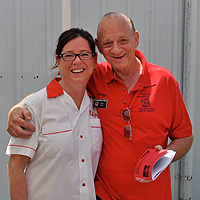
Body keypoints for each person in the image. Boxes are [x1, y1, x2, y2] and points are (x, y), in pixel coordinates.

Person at [7, 12, 193, 200]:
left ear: (135, 38)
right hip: (104, 195)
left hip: (154, 195)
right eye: (107, 43)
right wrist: (17, 109)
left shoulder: (164, 81)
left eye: (123, 40)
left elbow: (185, 137)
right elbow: (56, 91)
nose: (116, 49)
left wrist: (165, 157)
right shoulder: (94, 75)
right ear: (99, 48)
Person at [6, 28, 102, 200]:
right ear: (58, 61)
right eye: (69, 55)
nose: (77, 61)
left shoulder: (97, 105)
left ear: (94, 60)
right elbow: (15, 167)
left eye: (84, 54)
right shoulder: (35, 106)